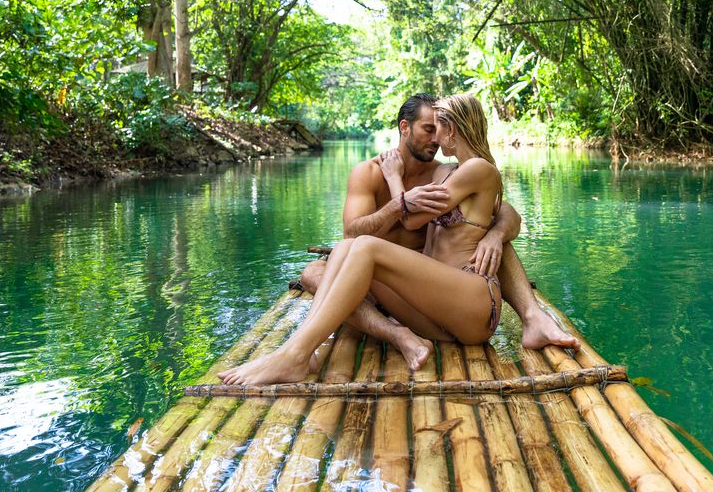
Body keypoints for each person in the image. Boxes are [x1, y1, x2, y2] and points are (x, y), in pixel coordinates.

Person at [221, 94, 569, 386]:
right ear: (405, 128)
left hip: (468, 299)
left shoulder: (458, 170)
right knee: (346, 248)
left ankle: (294, 355)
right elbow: (356, 231)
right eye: (428, 129)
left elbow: (499, 211)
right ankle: (303, 352)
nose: (435, 138)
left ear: (455, 129)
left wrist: (494, 233)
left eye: (440, 128)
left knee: (366, 249)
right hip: (432, 308)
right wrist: (394, 187)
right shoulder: (374, 172)